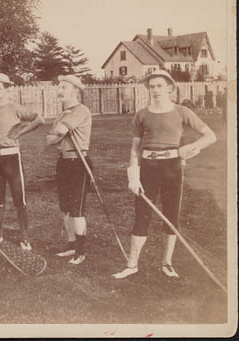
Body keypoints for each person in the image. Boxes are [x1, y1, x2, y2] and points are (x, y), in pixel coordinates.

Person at [112, 70, 216, 279]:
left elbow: (210, 136)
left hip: (172, 167)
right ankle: (132, 264)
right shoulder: (141, 114)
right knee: (142, 215)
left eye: (160, 86)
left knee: (171, 216)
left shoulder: (182, 111)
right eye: (152, 86)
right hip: (147, 167)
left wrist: (191, 148)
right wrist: (133, 176)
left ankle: (167, 263)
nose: (156, 90)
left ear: (169, 88)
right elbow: (134, 149)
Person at [0, 73, 45, 250]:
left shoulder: (15, 108)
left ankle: (25, 238)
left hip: (12, 157)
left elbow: (40, 119)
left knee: (18, 198)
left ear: (7, 90)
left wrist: (21, 132)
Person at [45, 75, 92, 265]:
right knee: (64, 208)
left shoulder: (82, 110)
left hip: (78, 162)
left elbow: (59, 132)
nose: (59, 90)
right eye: (59, 87)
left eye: (64, 87)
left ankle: (80, 252)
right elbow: (49, 139)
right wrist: (58, 134)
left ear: (75, 91)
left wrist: (58, 134)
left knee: (77, 210)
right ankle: (71, 245)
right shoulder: (62, 114)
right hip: (63, 162)